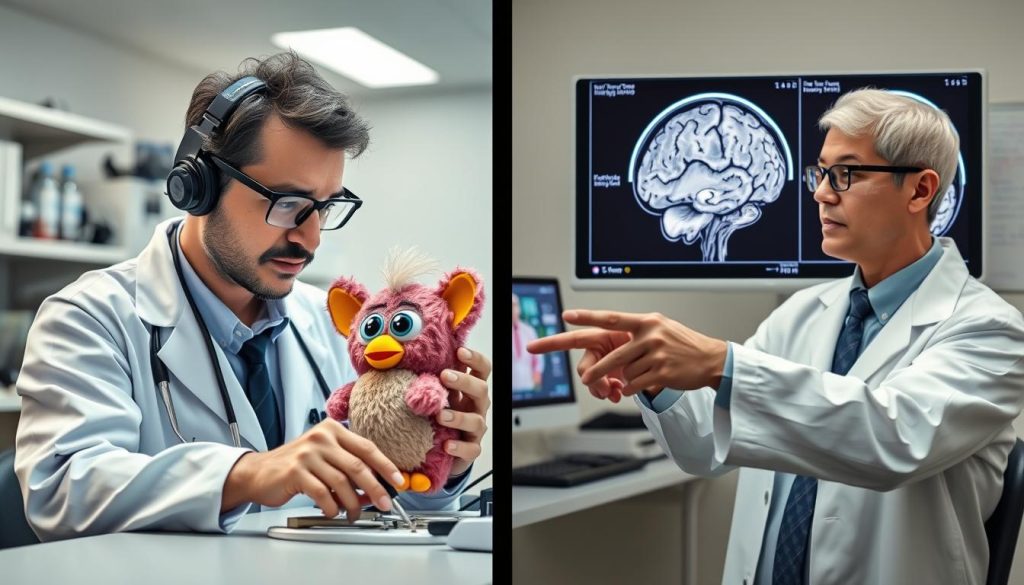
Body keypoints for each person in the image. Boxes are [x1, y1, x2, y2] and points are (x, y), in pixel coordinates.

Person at [529, 88, 1024, 585]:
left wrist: (720, 362)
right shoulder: (803, 313)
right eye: (821, 172)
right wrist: (655, 380)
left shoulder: (989, 329)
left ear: (919, 191)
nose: (822, 192)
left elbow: (894, 439)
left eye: (847, 174)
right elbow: (705, 448)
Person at [14, 51, 491, 542]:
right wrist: (247, 474)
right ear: (198, 185)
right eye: (288, 204)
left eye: (325, 208)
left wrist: (442, 465)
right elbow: (61, 491)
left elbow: (382, 496)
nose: (311, 238)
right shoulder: (89, 317)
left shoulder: (327, 322)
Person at [512, 293, 544, 390]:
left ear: (519, 308)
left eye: (514, 306)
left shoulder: (529, 331)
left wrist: (536, 380)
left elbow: (538, 359)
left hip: (528, 384)